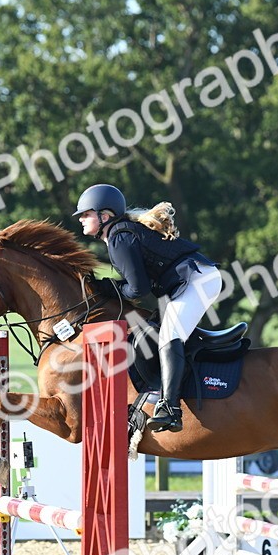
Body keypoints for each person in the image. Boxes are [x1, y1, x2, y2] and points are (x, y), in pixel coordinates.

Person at [73, 183, 222, 432]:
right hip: (190, 281)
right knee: (155, 332)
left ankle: (170, 409)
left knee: (169, 334)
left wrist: (110, 289)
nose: (81, 219)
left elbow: (138, 289)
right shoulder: (120, 233)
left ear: (104, 216)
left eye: (86, 214)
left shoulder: (119, 238)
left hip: (197, 280)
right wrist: (112, 288)